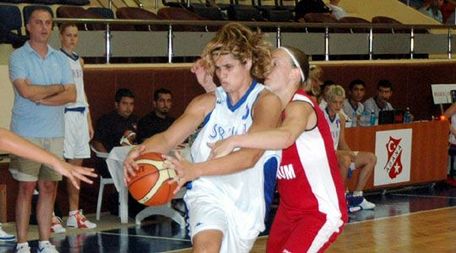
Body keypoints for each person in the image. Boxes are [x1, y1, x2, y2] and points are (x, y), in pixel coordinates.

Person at [124, 23, 282, 253]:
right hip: (207, 191)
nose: (222, 75)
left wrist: (195, 170)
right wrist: (139, 150)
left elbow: (250, 156)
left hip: (247, 200)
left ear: (247, 62)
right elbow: (168, 138)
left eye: (228, 67)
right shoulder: (206, 102)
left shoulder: (266, 102)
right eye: (218, 68)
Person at [203, 46, 347, 252]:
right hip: (288, 212)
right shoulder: (268, 108)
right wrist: (208, 85)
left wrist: (236, 141)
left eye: (275, 63)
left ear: (294, 73)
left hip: (319, 212)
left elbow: (287, 136)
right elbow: (233, 110)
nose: (266, 68)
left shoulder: (300, 106)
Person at [8, 7, 77, 253]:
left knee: (49, 187)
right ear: (28, 26)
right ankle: (22, 242)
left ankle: (45, 241)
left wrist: (42, 95)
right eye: (38, 22)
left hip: (55, 133)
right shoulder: (18, 57)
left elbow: (71, 93)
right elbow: (25, 92)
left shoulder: (60, 58)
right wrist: (55, 88)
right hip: (26, 134)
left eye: (48, 23)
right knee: (26, 188)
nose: (44, 27)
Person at [58, 23, 96, 231]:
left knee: (76, 167)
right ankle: (53, 215)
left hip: (81, 116)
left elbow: (82, 91)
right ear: (61, 37)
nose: (72, 39)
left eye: (75, 36)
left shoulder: (79, 60)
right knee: (56, 165)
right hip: (64, 115)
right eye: (68, 35)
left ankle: (74, 213)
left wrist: (89, 119)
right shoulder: (56, 59)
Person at [323, 85, 377, 212]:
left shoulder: (340, 118)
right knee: (346, 159)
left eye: (341, 102)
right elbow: (323, 147)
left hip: (337, 153)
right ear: (328, 101)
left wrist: (351, 154)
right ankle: (341, 200)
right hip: (324, 155)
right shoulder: (321, 117)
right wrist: (347, 155)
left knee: (371, 158)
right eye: (335, 102)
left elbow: (341, 141)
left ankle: (357, 196)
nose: (338, 105)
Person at [92, 88, 138, 154]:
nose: (128, 108)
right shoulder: (106, 120)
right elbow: (97, 143)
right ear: (116, 104)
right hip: (111, 158)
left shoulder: (136, 119)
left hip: (132, 157)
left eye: (131, 104)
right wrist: (108, 159)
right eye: (125, 104)